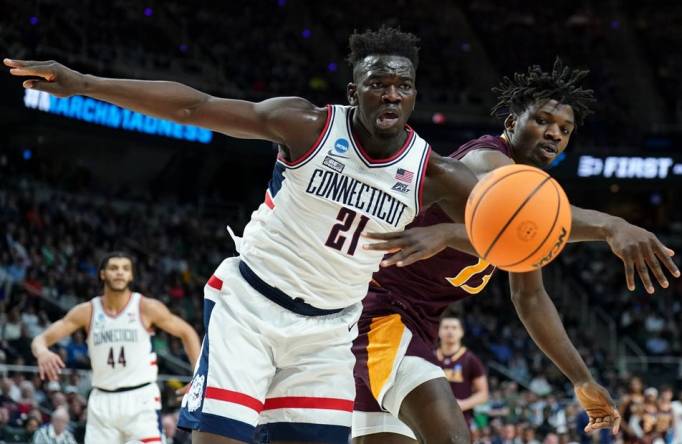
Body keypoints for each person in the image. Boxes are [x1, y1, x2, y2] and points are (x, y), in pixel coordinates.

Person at [6, 26, 479, 443]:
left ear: (414, 96)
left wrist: (444, 233)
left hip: (331, 332)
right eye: (379, 84)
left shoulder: (435, 174)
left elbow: (508, 242)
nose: (391, 95)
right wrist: (85, 84)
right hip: (251, 308)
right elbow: (195, 107)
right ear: (355, 92)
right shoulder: (308, 126)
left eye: (403, 86)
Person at [352, 59, 681, 443]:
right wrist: (613, 224)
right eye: (542, 120)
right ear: (511, 124)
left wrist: (582, 380)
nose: (554, 134)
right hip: (380, 313)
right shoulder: (485, 158)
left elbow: (530, 297)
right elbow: (509, 210)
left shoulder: (529, 215)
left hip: (415, 325)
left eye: (564, 129)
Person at [30, 252, 200, 444]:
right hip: (102, 402)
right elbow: (40, 339)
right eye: (114, 268)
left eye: (125, 269)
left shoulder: (145, 307)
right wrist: (42, 352)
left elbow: (187, 332)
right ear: (102, 274)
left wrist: (198, 375)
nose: (120, 272)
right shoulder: (87, 311)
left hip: (140, 399)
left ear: (131, 276)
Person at [434, 316, 488, 426]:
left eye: (454, 328)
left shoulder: (470, 359)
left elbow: (483, 394)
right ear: (438, 331)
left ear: (461, 332)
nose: (450, 331)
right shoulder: (430, 357)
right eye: (446, 327)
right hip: (432, 417)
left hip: (460, 420)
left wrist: (462, 404)